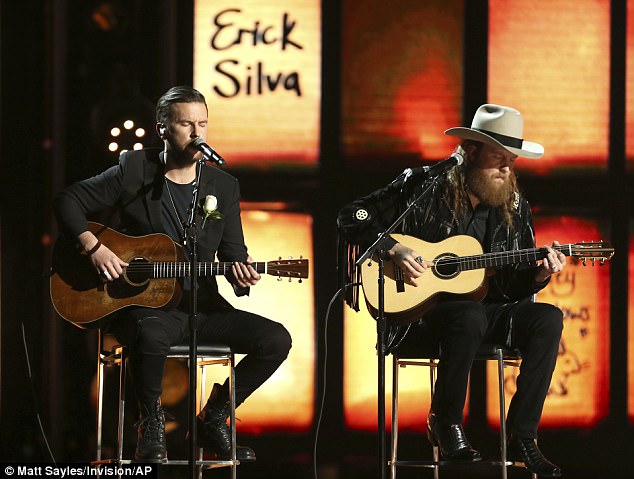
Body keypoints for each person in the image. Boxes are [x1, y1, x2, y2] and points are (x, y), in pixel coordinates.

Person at [53, 85, 292, 462]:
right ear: (163, 128)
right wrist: (93, 247)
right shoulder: (134, 169)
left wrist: (240, 275)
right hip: (148, 308)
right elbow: (68, 201)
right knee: (150, 331)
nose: (197, 134)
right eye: (186, 124)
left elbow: (233, 253)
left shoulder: (223, 186)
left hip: (204, 306)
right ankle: (150, 424)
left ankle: (213, 417)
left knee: (276, 340)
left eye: (203, 124)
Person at [337, 104, 564, 477]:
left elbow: (508, 286)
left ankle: (524, 434)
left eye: (512, 160)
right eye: (497, 158)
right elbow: (352, 216)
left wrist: (538, 276)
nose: (506, 169)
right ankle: (445, 421)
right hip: (421, 316)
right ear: (470, 151)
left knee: (548, 318)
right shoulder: (424, 185)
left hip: (479, 314)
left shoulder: (515, 204)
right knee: (468, 314)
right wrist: (394, 247)